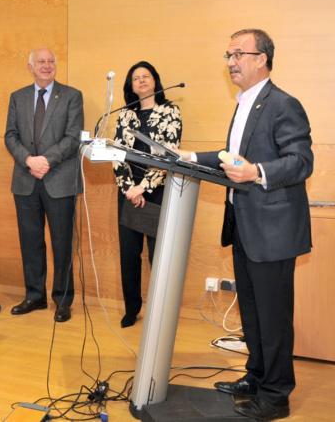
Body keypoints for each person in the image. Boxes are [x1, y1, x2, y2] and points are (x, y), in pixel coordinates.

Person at [185, 29, 312, 421]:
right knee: (253, 313)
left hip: (272, 230)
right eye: (228, 55)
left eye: (239, 54)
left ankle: (276, 395)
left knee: (273, 317)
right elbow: (230, 157)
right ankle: (256, 376)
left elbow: (301, 161)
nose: (231, 62)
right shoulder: (245, 104)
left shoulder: (283, 104)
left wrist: (256, 171)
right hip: (244, 226)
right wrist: (188, 155)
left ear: (262, 58)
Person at [4, 47, 83, 323]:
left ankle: (63, 299)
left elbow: (73, 138)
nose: (47, 66)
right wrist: (28, 160)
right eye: (41, 62)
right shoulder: (18, 97)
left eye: (51, 62)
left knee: (62, 243)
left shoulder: (72, 96)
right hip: (26, 181)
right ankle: (34, 295)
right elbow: (10, 136)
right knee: (30, 242)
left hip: (59, 179)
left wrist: (45, 161)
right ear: (31, 66)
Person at [112, 61, 182, 328]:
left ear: (155, 81)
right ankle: (132, 308)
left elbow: (169, 153)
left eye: (146, 76)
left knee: (157, 256)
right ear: (130, 86)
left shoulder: (170, 111)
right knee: (129, 255)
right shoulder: (125, 115)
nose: (141, 81)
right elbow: (117, 155)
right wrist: (129, 188)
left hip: (156, 192)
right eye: (136, 78)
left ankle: (160, 312)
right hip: (128, 192)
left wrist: (145, 187)